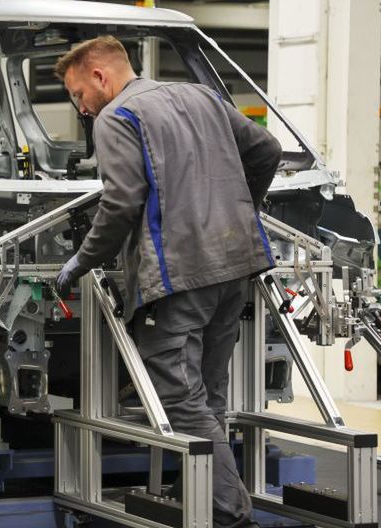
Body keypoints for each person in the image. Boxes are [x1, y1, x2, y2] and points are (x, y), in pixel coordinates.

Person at [53, 36, 281, 528]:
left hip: (180, 278)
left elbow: (120, 203)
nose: (82, 108)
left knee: (180, 397)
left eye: (77, 95)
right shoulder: (201, 97)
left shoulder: (117, 117)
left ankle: (229, 514)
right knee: (209, 392)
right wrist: (240, 210)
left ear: (100, 77)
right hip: (236, 264)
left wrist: (81, 260)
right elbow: (267, 149)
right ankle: (194, 490)